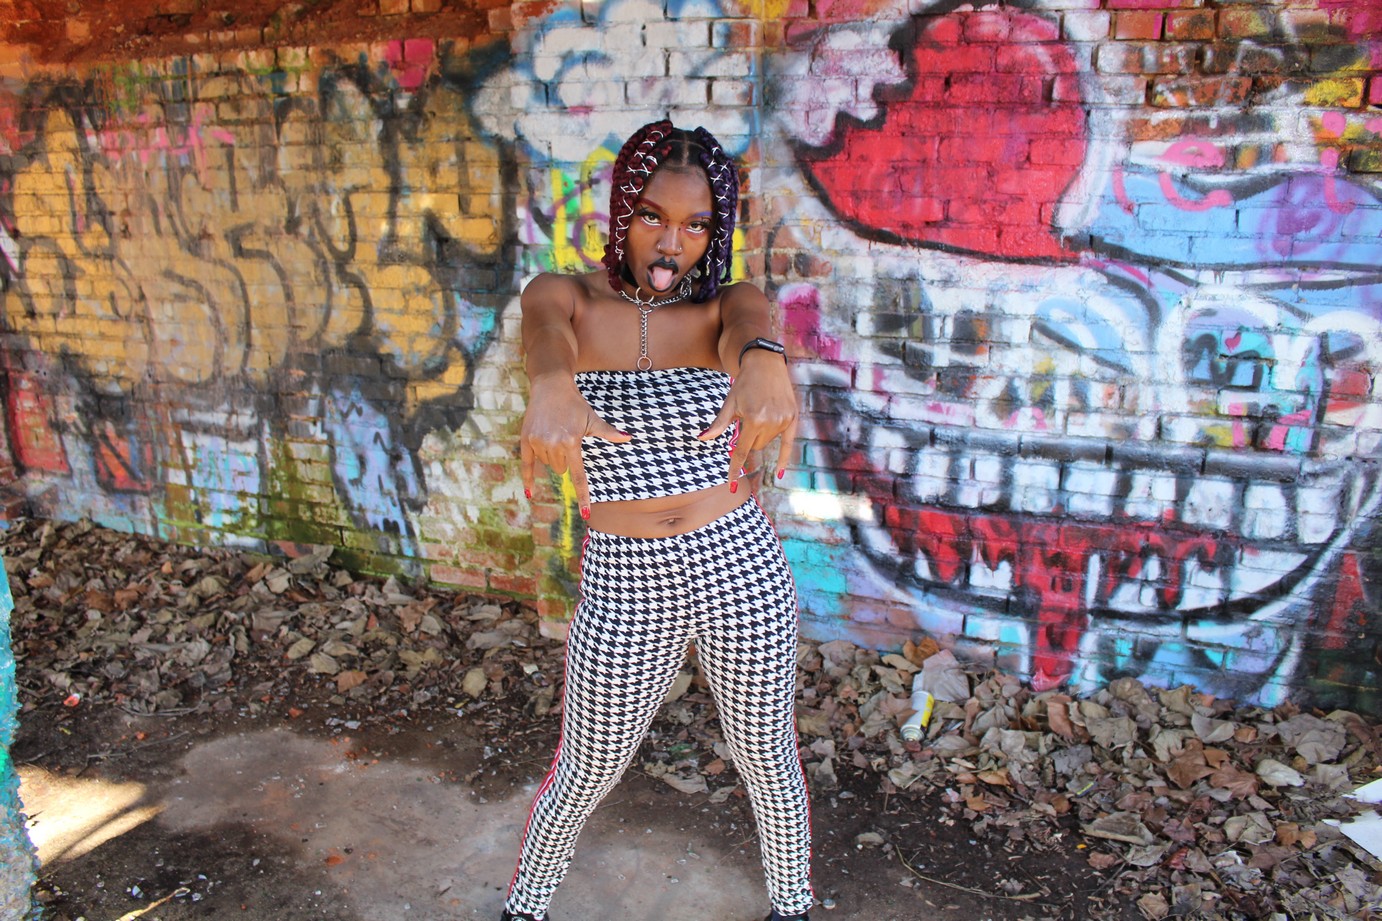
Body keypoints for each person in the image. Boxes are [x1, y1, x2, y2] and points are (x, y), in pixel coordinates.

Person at [502, 121, 813, 921]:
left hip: (737, 564)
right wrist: (551, 384)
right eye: (652, 216)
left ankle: (793, 905)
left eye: (697, 224)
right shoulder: (566, 296)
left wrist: (764, 361)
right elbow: (544, 332)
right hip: (625, 579)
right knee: (588, 766)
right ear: (622, 212)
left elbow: (751, 328)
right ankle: (525, 907)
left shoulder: (724, 305)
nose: (673, 242)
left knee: (765, 755)